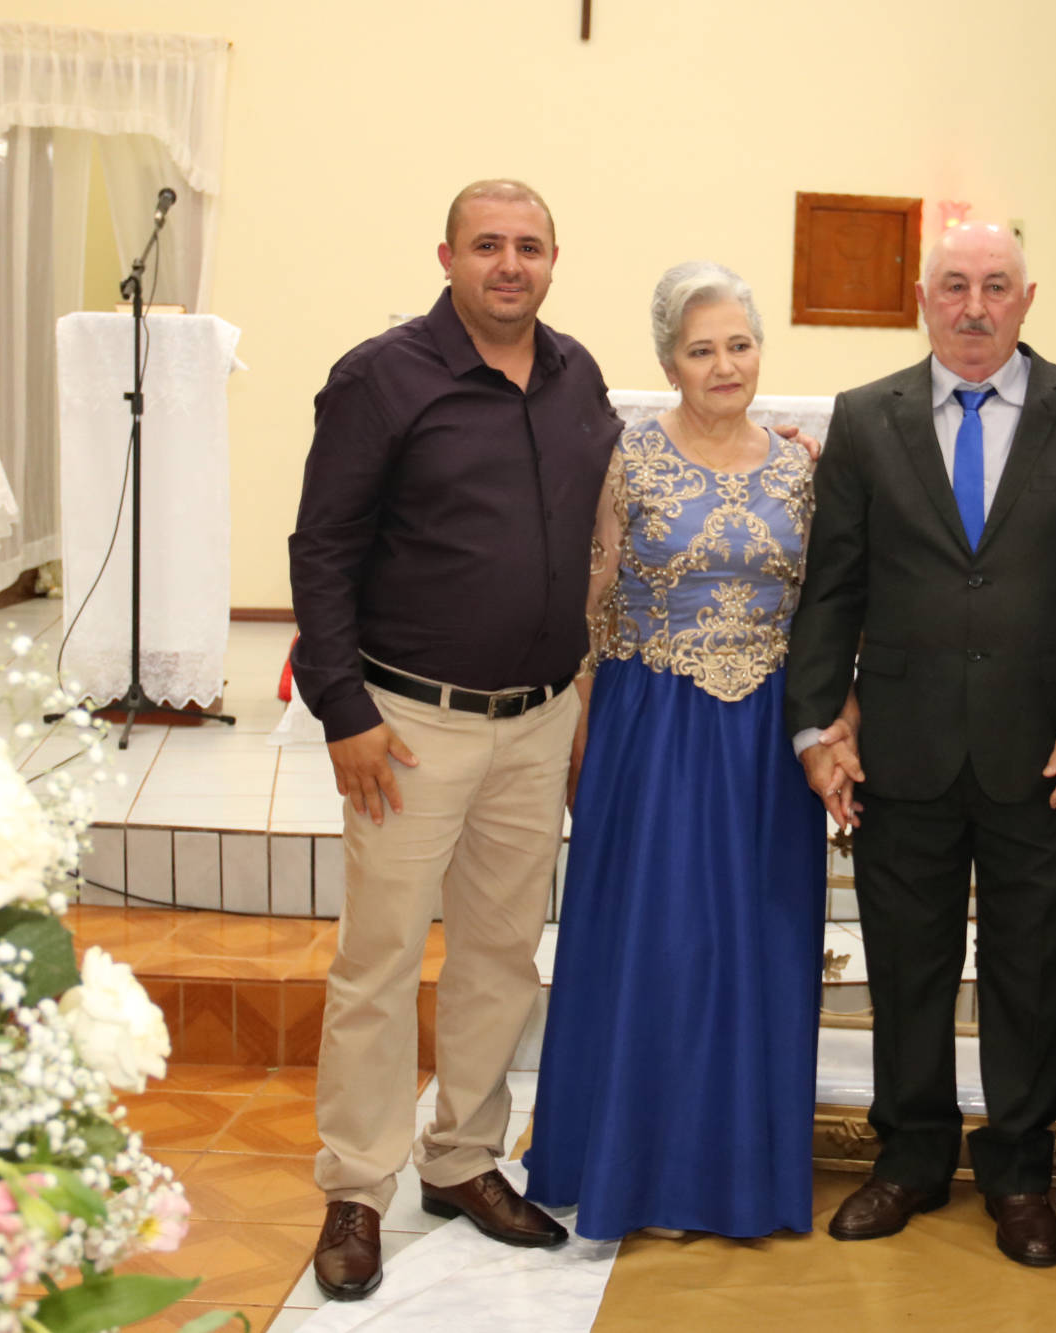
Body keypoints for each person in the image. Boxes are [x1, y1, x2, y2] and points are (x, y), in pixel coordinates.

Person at [783, 222, 1056, 1268]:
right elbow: (832, 587)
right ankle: (909, 1157)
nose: (974, 306)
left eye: (995, 286)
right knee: (908, 965)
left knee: (1033, 969)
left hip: (1047, 754)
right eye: (953, 285)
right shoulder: (866, 417)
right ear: (921, 298)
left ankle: (1021, 1170)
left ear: (1027, 300)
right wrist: (818, 726)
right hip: (903, 749)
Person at [289, 180, 608, 1299]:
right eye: (487, 245)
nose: (509, 264)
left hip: (538, 718)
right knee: (378, 961)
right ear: (447, 257)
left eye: (528, 246)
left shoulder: (576, 376)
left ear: (554, 259)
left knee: (501, 953)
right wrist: (344, 710)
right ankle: (356, 1185)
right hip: (409, 725)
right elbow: (322, 547)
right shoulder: (381, 377)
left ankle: (462, 1157)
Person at [522, 262, 838, 1239]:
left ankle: (734, 1176)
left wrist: (835, 726)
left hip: (766, 745)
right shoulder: (628, 459)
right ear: (669, 363)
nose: (724, 364)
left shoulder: (803, 468)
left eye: (739, 344)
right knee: (657, 945)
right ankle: (633, 1168)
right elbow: (593, 604)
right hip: (652, 730)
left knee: (754, 949)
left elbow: (828, 610)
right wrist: (579, 735)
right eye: (702, 350)